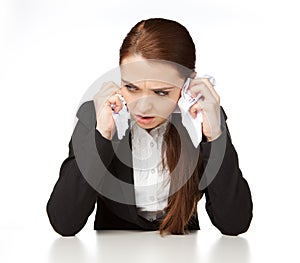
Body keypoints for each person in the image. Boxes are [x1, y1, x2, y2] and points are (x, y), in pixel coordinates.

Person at [46, 18, 253, 237]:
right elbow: (64, 222)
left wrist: (214, 135)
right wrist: (102, 134)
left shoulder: (202, 117)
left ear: (187, 86)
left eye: (161, 92)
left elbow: (234, 224)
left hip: (182, 252)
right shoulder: (98, 113)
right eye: (131, 87)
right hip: (113, 253)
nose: (143, 107)